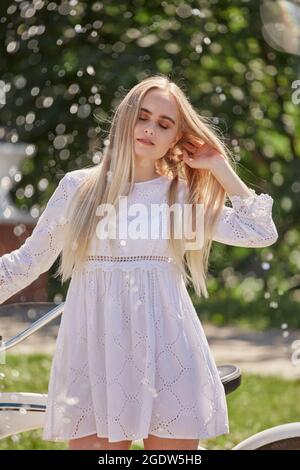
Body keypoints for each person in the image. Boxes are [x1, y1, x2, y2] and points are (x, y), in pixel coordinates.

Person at [0, 75, 278, 450]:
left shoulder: (180, 195)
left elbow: (259, 232)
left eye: (164, 125)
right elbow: (27, 262)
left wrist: (218, 165)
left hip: (168, 352)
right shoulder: (77, 188)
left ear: (176, 137)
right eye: (142, 117)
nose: (149, 129)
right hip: (93, 354)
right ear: (125, 119)